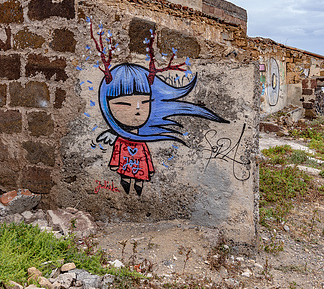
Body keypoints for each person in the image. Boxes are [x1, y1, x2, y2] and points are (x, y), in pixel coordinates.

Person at [97, 63, 228, 196]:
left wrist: (149, 168)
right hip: (125, 167)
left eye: (144, 102)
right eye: (124, 104)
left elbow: (145, 157)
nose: (137, 109)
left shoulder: (140, 142)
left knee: (138, 179)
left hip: (139, 169)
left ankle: (137, 185)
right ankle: (128, 185)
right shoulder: (121, 141)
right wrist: (115, 162)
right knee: (125, 177)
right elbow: (117, 154)